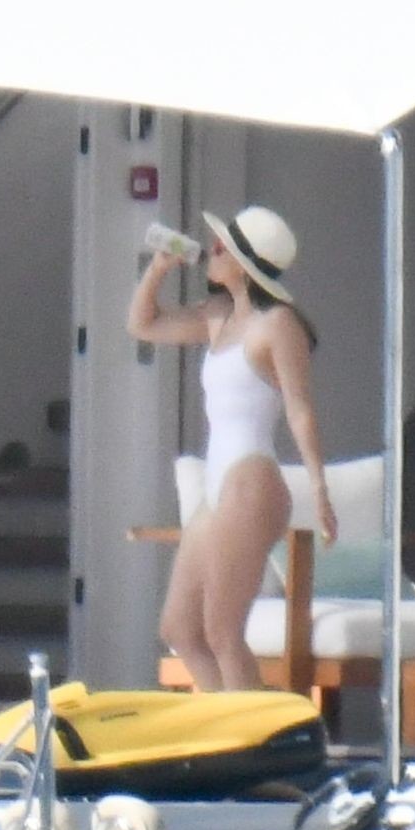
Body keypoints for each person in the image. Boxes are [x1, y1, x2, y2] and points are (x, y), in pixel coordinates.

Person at [127, 206, 336, 691]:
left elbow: (300, 409)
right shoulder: (218, 317)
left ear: (243, 265)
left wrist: (320, 489)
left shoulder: (278, 324)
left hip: (251, 479)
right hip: (219, 483)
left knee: (222, 630)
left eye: (221, 247)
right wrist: (157, 270)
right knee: (180, 628)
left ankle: (252, 729)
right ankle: (228, 719)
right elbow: (142, 325)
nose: (211, 252)